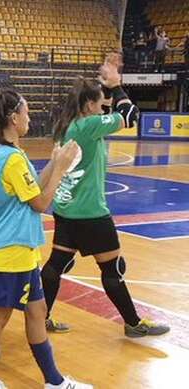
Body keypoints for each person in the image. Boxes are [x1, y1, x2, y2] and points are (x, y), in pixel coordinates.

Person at [0, 85, 90, 389]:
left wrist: (54, 161)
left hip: (18, 248)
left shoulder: (8, 153)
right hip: (13, 249)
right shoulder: (10, 158)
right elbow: (40, 202)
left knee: (36, 311)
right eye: (24, 110)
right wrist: (61, 169)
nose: (29, 115)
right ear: (12, 117)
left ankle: (54, 381)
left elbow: (32, 188)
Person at [40, 58, 171, 338]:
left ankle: (41, 318)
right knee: (113, 269)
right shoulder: (88, 126)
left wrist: (105, 86)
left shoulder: (67, 125)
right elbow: (130, 116)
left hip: (65, 209)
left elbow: (104, 105)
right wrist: (117, 86)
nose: (104, 108)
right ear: (89, 106)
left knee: (56, 265)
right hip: (91, 214)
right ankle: (133, 323)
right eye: (100, 104)